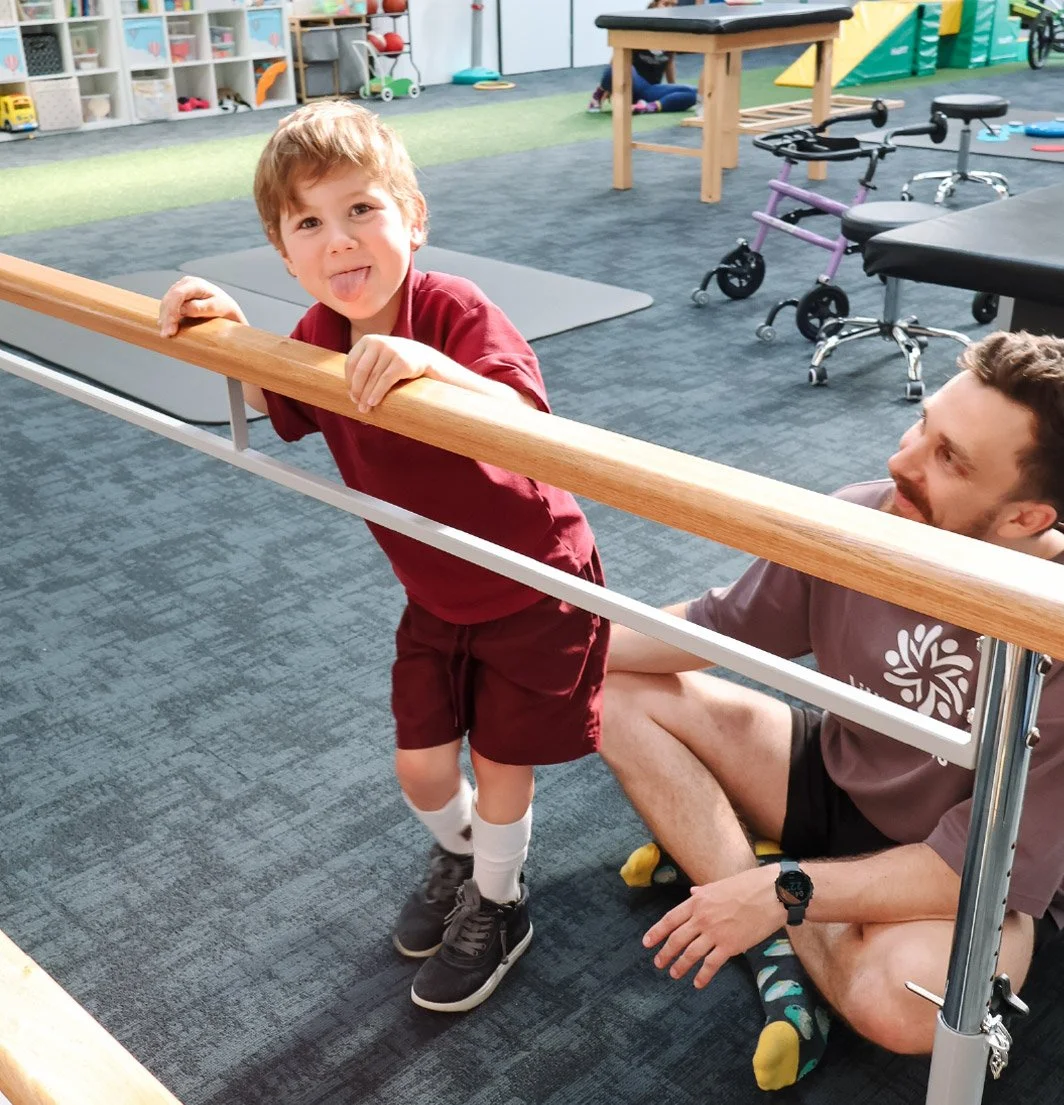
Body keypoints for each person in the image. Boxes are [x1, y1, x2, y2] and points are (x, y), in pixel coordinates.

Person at [157, 99, 608, 1014]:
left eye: (363, 209)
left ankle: (499, 898)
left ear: (413, 216)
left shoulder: (452, 309)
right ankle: (458, 849)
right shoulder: (320, 335)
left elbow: (528, 423)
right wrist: (226, 325)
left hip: (533, 583)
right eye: (310, 224)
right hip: (436, 590)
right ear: (285, 253)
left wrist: (434, 367)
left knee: (505, 765)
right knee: (423, 768)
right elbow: (274, 399)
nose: (340, 242)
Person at [599, 331, 1064, 1090]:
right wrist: (551, 639)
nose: (901, 460)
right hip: (836, 774)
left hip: (968, 864)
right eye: (922, 423)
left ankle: (751, 885)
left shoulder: (1058, 634)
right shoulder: (866, 519)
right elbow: (711, 628)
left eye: (950, 458)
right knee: (610, 689)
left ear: (1023, 517)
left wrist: (783, 891)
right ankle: (773, 938)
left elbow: (978, 874)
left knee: (912, 1006)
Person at [587, 0, 700, 116]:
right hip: (632, 84)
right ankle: (599, 92)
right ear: (655, 4)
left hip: (650, 90)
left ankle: (648, 107)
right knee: (617, 67)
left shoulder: (673, 32)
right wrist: (607, 86)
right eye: (666, 4)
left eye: (673, 5)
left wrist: (673, 86)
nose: (670, 8)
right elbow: (616, 61)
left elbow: (669, 62)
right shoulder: (638, 28)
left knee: (696, 93)